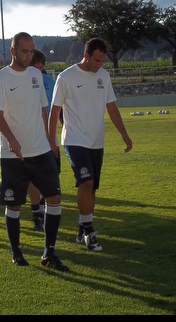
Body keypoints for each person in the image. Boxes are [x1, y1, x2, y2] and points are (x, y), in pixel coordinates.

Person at [0, 32, 68, 270]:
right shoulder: (0, 78)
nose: (29, 55)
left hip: (41, 150)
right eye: (24, 51)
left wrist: (50, 140)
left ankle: (49, 254)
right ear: (13, 51)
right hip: (14, 156)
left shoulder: (36, 75)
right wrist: (11, 140)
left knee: (54, 199)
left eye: (32, 51)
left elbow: (43, 111)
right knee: (13, 205)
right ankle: (16, 252)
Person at [48, 38, 133, 251]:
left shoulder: (103, 76)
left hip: (97, 141)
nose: (99, 65)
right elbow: (54, 110)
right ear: (86, 55)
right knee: (85, 182)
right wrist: (51, 141)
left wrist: (124, 134)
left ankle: (82, 226)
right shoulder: (65, 77)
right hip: (74, 140)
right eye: (96, 60)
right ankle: (88, 231)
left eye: (102, 61)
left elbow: (111, 107)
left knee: (92, 187)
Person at [27, 49, 59, 232]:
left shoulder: (50, 83)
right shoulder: (22, 83)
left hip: (49, 135)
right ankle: (36, 215)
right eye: (34, 66)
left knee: (50, 176)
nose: (38, 70)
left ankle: (48, 211)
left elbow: (57, 107)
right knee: (32, 178)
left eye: (40, 67)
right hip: (30, 136)